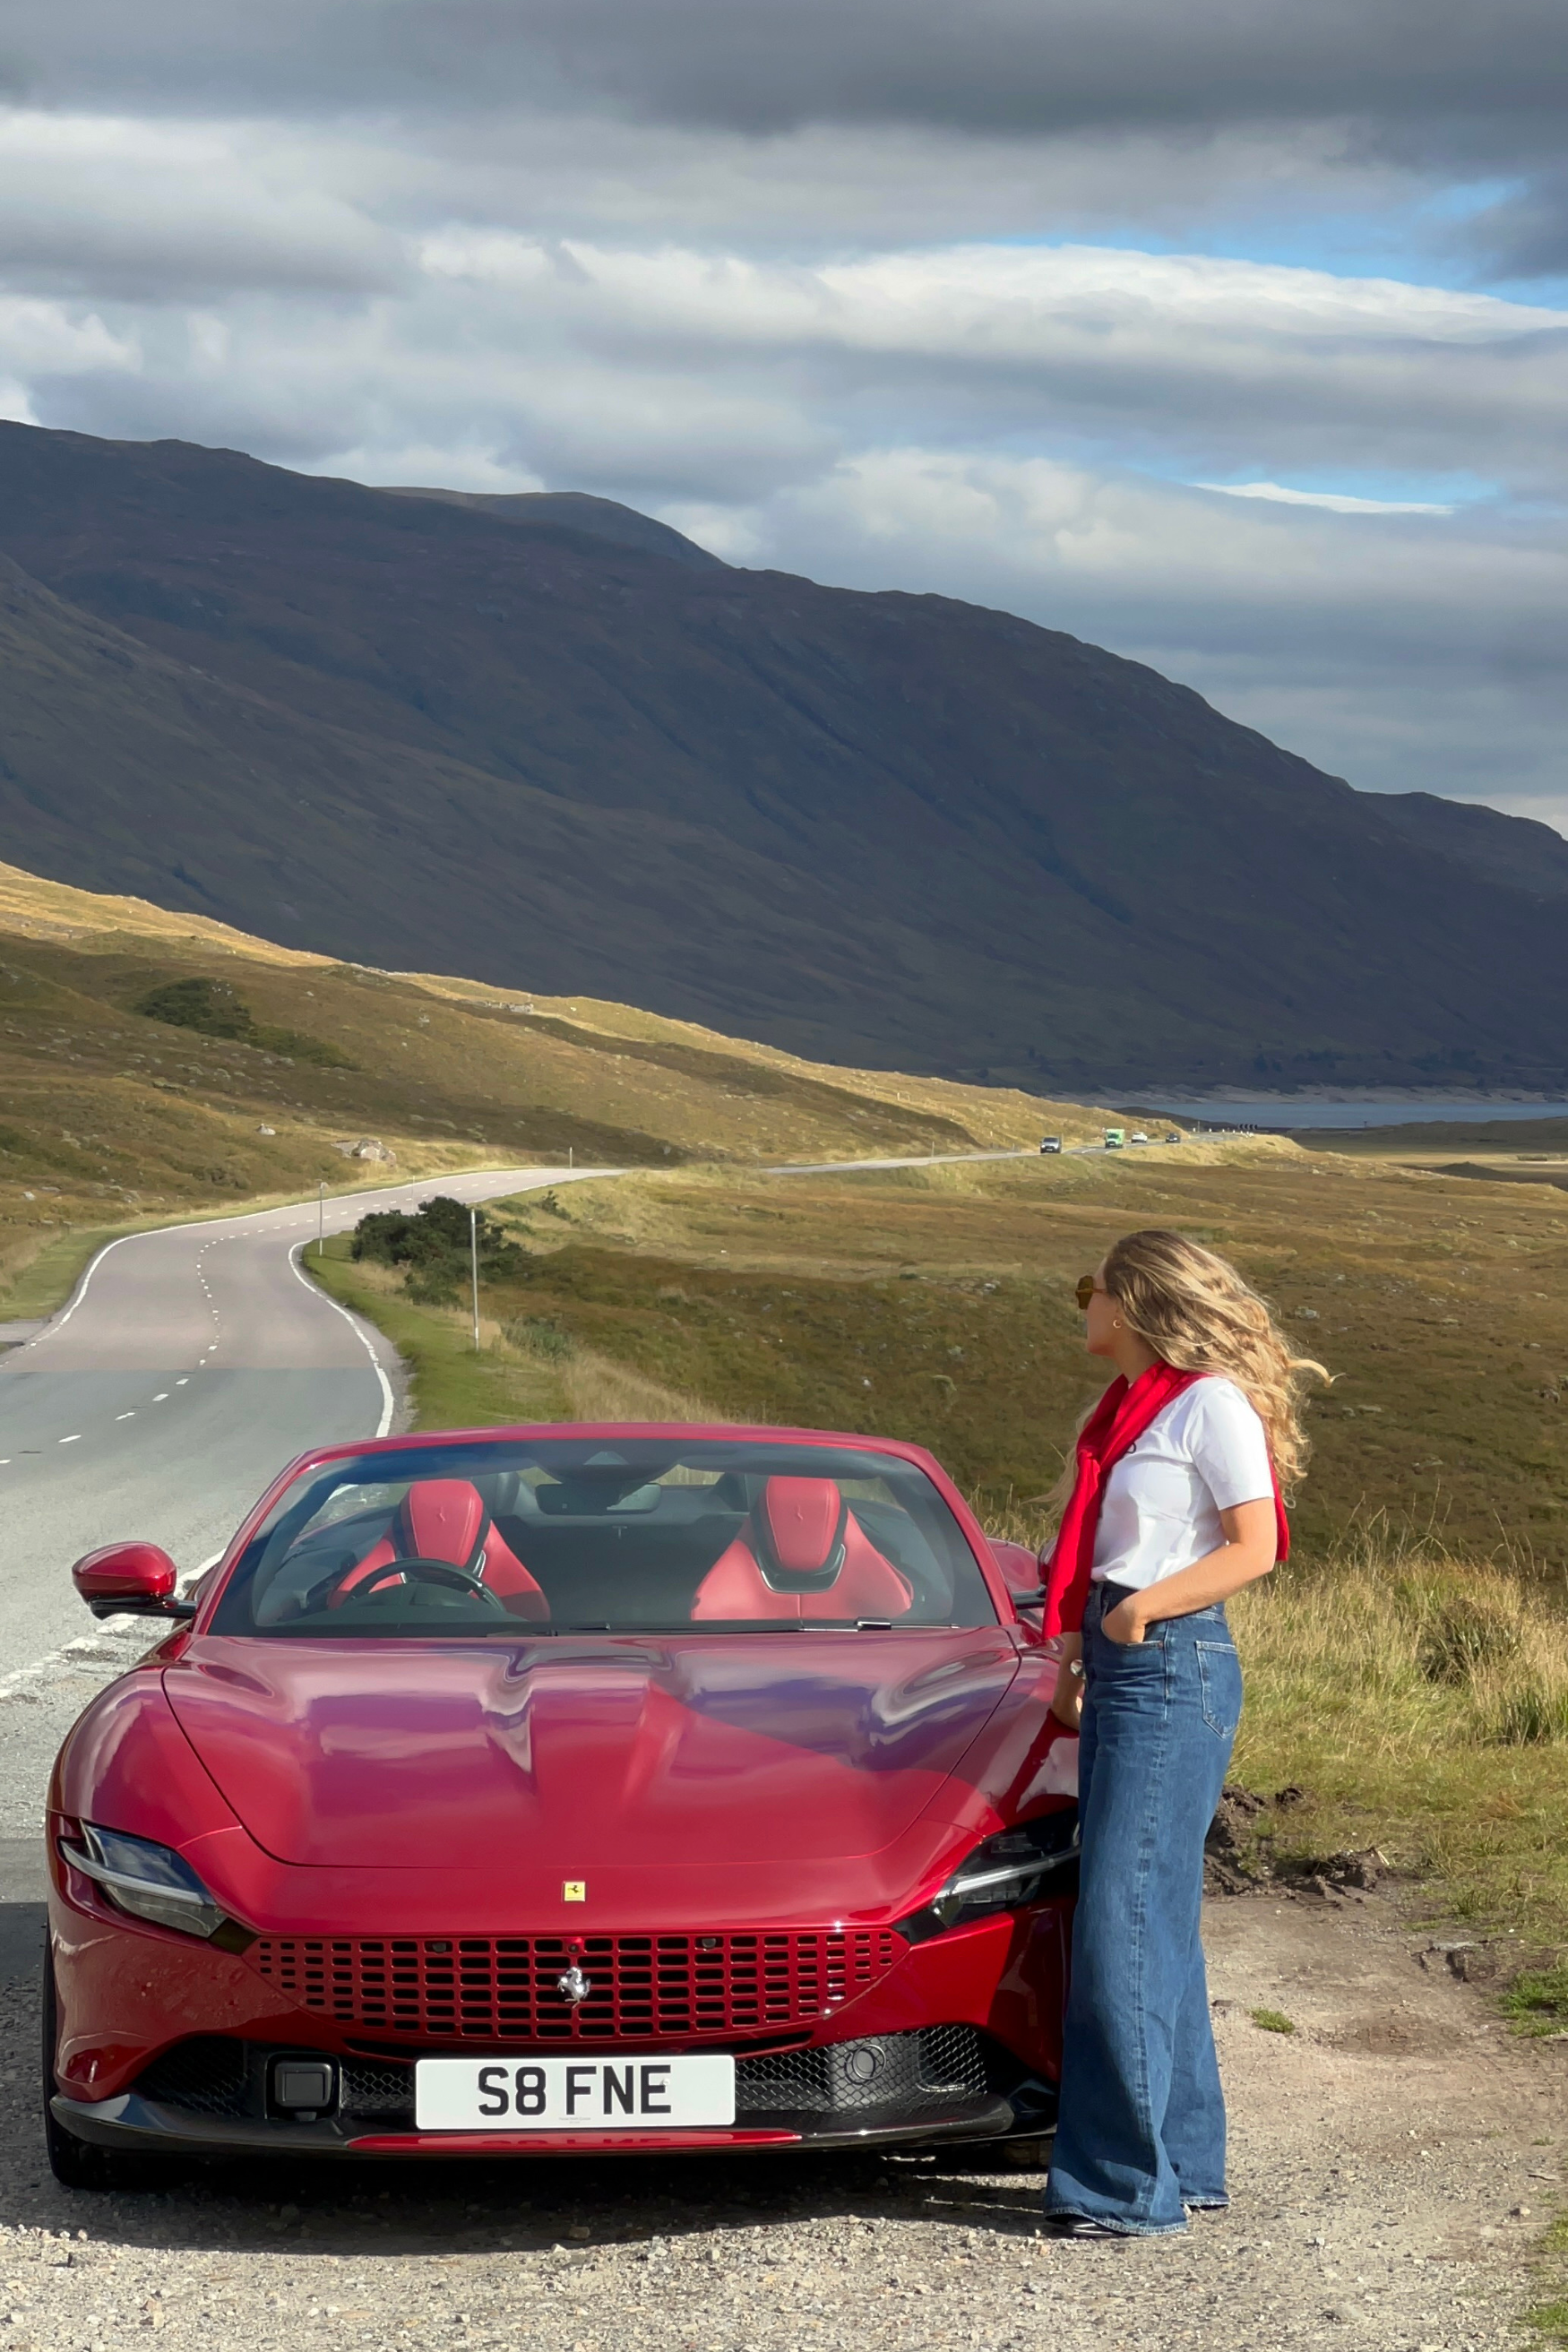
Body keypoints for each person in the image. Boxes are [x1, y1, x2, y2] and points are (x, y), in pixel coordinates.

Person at [1038, 1228, 1326, 2240]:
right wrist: (1082, 1651)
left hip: (1169, 1659)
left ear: (1130, 1301)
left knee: (1119, 1919)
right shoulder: (1127, 1409)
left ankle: (1120, 2187)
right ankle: (1182, 2163)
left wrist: (1136, 1613)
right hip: (1126, 1661)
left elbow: (1257, 1546)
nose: (1082, 1304)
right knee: (1152, 1919)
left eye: (1090, 1286)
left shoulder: (1208, 1403)